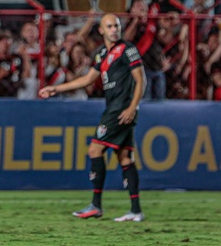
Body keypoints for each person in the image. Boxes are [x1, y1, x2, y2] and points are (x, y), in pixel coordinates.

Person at [40, 13, 146, 223]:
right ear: (102, 30)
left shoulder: (128, 49)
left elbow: (140, 80)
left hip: (120, 109)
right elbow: (88, 79)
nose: (114, 29)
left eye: (116, 25)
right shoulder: (102, 54)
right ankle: (135, 210)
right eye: (109, 26)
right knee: (125, 158)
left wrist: (133, 107)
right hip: (116, 108)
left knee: (95, 149)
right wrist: (56, 88)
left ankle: (96, 205)